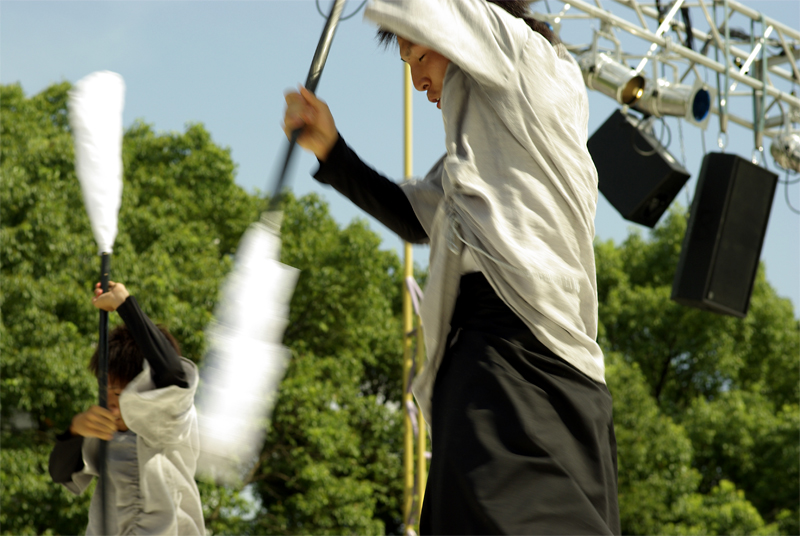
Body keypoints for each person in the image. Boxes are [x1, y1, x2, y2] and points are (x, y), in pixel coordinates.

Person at [283, 0, 620, 533]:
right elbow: (416, 217)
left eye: (419, 57)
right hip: (543, 367)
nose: (417, 82)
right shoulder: (495, 155)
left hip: (512, 355)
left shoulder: (521, 53)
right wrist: (331, 149)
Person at [49, 281, 205, 535]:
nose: (109, 403)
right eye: (105, 392)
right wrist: (74, 432)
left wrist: (125, 304)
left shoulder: (167, 419)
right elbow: (60, 473)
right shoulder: (105, 433)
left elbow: (172, 373)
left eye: (120, 394)